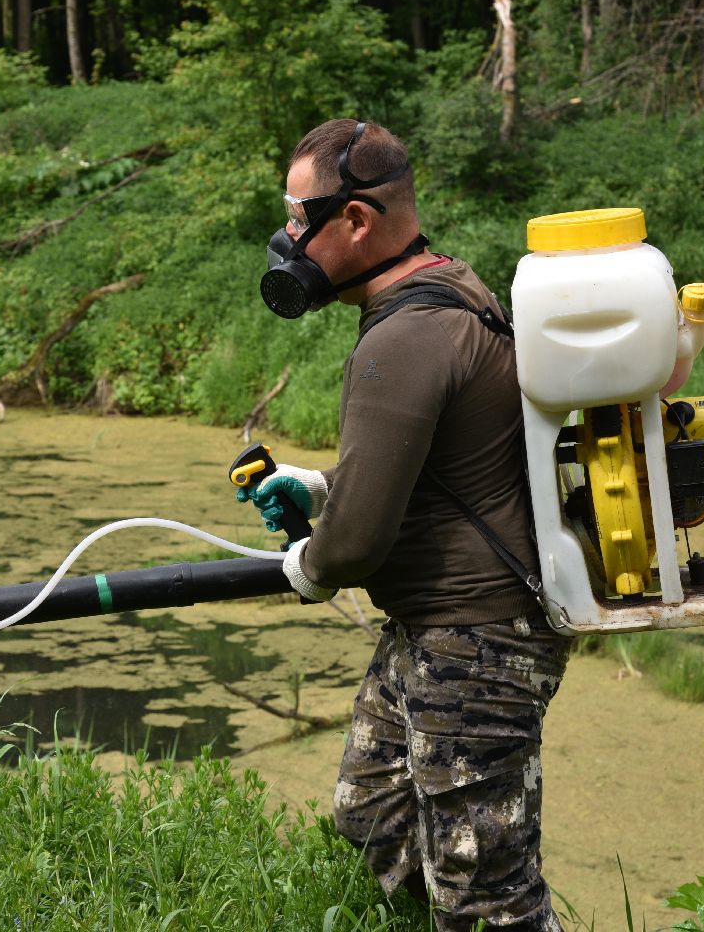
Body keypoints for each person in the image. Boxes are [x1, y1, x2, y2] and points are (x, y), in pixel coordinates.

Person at [238, 118, 570, 931]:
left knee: (487, 895)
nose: (288, 240)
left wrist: (312, 564)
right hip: (432, 631)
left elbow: (357, 546)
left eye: (299, 219)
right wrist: (322, 487)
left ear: (355, 221)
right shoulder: (450, 284)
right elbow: (447, 461)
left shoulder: (407, 335)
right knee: (373, 820)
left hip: (479, 640)